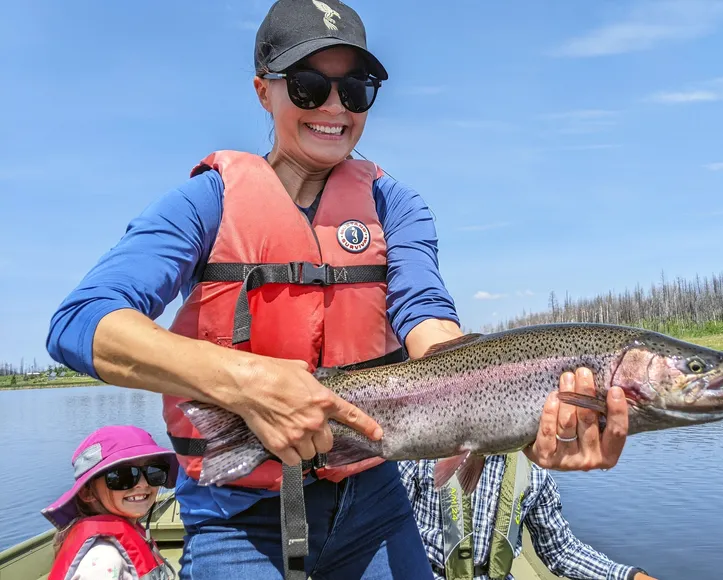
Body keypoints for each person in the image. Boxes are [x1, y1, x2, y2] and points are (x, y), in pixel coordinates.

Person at [45, 1, 630, 578]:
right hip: (237, 515)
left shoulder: (392, 204)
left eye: (355, 90)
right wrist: (250, 385)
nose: (333, 107)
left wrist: (519, 415)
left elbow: (427, 316)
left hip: (372, 498)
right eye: (306, 86)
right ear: (262, 91)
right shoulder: (205, 202)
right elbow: (80, 322)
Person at [399, 452, 656, 580]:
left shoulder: (534, 473)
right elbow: (387, 534)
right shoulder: (423, 454)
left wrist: (629, 576)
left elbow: (560, 550)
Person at [42, 425, 179, 580]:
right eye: (122, 475)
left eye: (154, 470)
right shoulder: (104, 557)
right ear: (87, 492)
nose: (142, 483)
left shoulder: (126, 537)